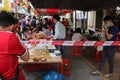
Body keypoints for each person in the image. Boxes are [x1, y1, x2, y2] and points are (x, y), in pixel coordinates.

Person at [0, 11, 29, 80]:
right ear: (11, 26)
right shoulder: (10, 37)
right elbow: (26, 58)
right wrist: (18, 40)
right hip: (12, 77)